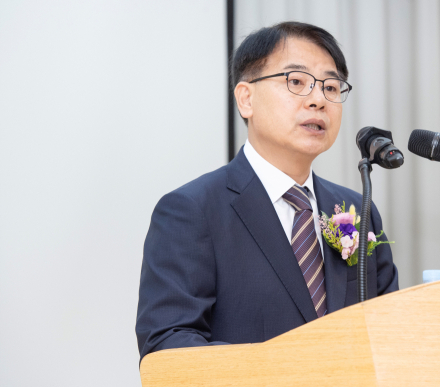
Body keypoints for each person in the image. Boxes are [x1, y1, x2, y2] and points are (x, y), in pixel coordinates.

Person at [135, 21, 399, 361]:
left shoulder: (357, 210)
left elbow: (388, 331)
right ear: (246, 99)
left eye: (331, 87)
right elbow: (168, 347)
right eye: (297, 82)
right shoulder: (192, 211)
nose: (319, 100)